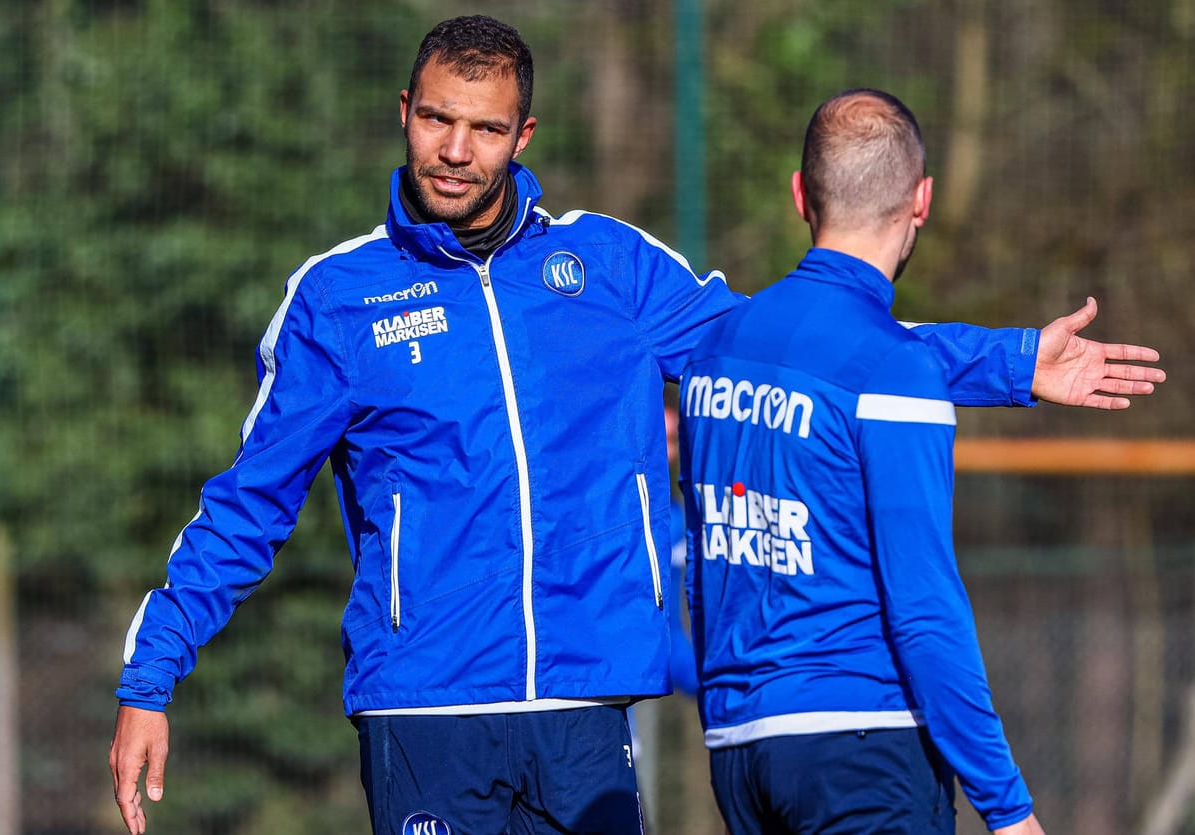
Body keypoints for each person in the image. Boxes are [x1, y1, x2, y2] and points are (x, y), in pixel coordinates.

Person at [108, 17, 1164, 835]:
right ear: (404, 112)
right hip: (424, 712)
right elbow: (248, 502)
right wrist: (153, 674)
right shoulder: (338, 299)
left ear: (524, 136)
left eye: (484, 128)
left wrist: (1013, 361)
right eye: (437, 119)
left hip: (586, 709)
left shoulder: (609, 267)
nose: (455, 151)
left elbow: (799, 347)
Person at [678, 88, 1089, 834]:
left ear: (801, 194)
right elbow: (927, 612)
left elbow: (703, 573)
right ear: (922, 199)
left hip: (739, 748)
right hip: (861, 750)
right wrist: (1008, 804)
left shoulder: (715, 352)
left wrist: (1014, 361)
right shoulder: (898, 374)